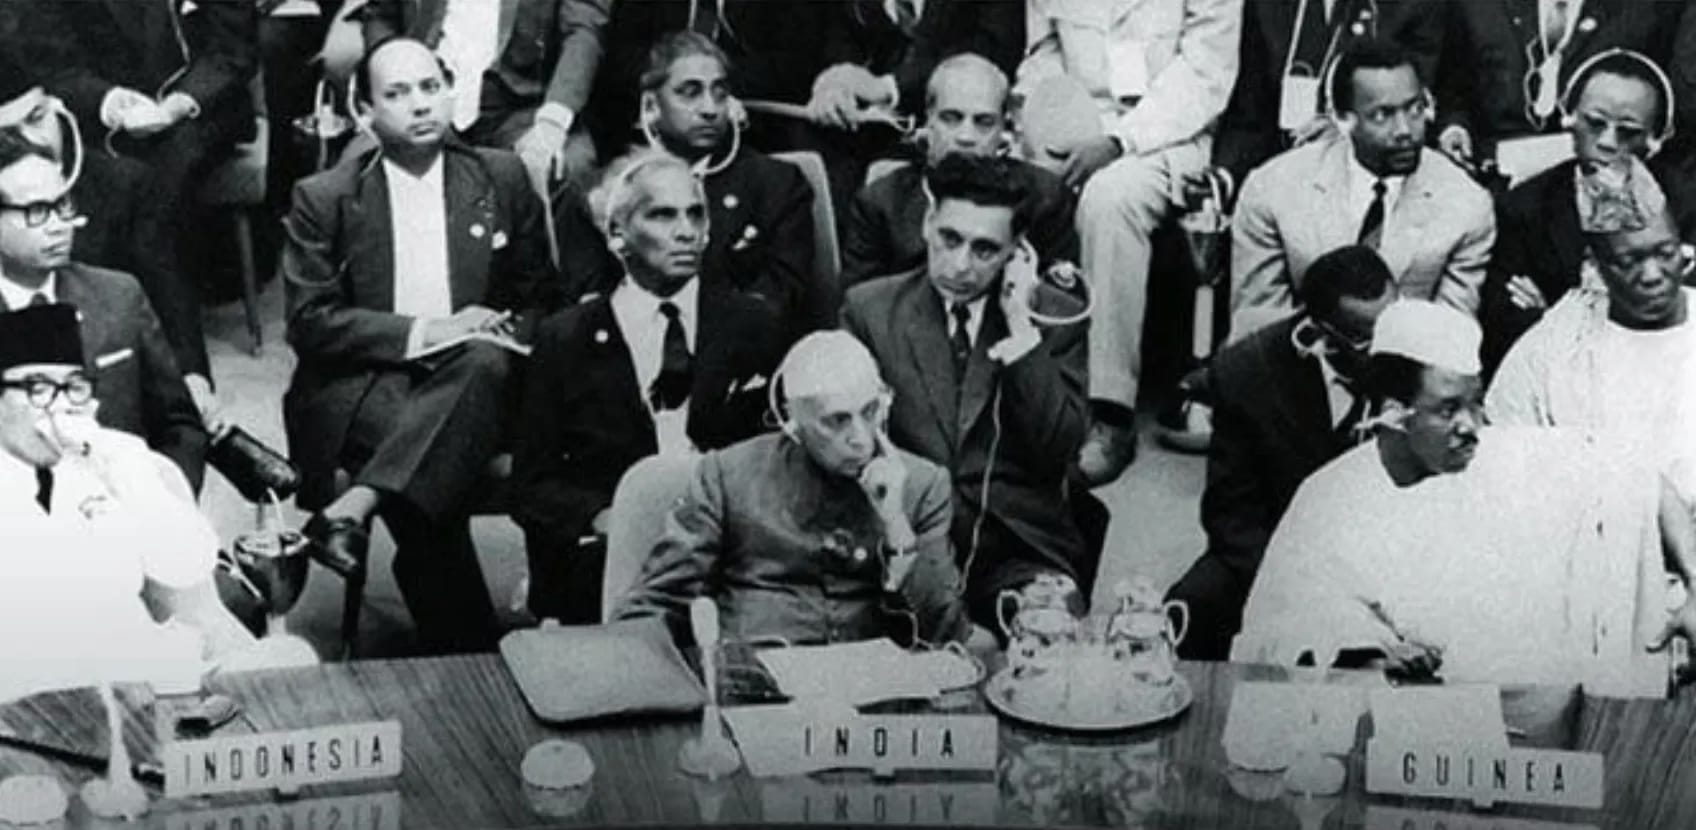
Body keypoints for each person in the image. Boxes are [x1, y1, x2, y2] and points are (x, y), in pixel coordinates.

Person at [1233, 299, 1696, 690]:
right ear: (1395, 413)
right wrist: (1374, 654)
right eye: (1449, 410)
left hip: (1542, 700)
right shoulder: (1331, 501)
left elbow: (1634, 474)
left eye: (1475, 403)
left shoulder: (1507, 453)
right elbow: (1289, 622)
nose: (1472, 427)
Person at [281, 37, 557, 654]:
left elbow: (542, 296)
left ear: (451, 92)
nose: (420, 105)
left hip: (482, 373)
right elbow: (311, 322)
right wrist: (427, 331)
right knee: (433, 464)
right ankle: (474, 653)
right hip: (366, 382)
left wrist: (495, 331)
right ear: (365, 111)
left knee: (480, 364)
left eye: (430, 87)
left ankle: (358, 504)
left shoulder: (501, 176)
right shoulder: (325, 196)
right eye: (397, 94)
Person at [512, 151, 784, 624]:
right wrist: (607, 517)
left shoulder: (753, 324)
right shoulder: (566, 338)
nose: (686, 231)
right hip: (607, 553)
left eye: (695, 214)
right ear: (617, 235)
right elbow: (530, 485)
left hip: (730, 552)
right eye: (662, 214)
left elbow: (775, 459)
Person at [0, 304, 312, 702]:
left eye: (75, 386)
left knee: (291, 658)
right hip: (35, 697)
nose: (60, 406)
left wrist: (113, 456)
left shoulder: (113, 461)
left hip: (149, 679)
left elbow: (186, 567)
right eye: (37, 389)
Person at [842, 153, 1093, 635]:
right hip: (900, 540)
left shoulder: (1053, 316)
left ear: (1017, 251)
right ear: (927, 222)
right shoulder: (870, 310)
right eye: (949, 239)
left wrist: (1022, 332)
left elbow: (1058, 450)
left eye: (984, 250)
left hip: (1017, 550)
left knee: (1048, 651)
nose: (960, 265)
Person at [612, 330, 971, 648]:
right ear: (792, 421)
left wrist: (896, 523)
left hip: (877, 698)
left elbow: (945, 633)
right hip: (756, 688)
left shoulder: (923, 485)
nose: (861, 438)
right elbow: (656, 603)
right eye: (836, 421)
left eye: (870, 411)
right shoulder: (729, 476)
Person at [1015, 0, 1242, 487]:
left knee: (1109, 200)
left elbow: (1205, 73)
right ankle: (1018, 397)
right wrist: (1047, 127)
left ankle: (1108, 414)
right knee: (1007, 181)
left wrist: (1119, 141)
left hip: (1168, 138)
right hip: (1076, 127)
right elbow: (1044, 51)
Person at [6, 0, 261, 390]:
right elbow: (49, 61)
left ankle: (167, 358)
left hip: (204, 105)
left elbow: (234, 51)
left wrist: (178, 105)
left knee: (154, 185)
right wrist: (109, 101)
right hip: (96, 112)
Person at [1166, 245, 1396, 660]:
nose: (1387, 348)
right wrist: (1303, 590)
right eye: (1365, 337)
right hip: (1279, 558)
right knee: (1190, 607)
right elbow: (1231, 517)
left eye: (1392, 324)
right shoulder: (1245, 373)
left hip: (1387, 558)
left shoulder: (1419, 359)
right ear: (1322, 329)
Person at [557, 31, 820, 334]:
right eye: (690, 92)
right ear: (652, 106)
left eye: (720, 93)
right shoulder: (604, 190)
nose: (710, 108)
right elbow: (586, 305)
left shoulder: (777, 185)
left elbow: (779, 298)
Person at [1231, 40, 1494, 340]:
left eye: (1415, 108)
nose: (1405, 130)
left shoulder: (1466, 204)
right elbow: (1256, 334)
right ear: (1342, 119)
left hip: (1406, 377)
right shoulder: (1273, 189)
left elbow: (1449, 345)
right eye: (1383, 115)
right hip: (1297, 371)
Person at [0, 135, 208, 492]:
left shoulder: (118, 296)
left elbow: (179, 426)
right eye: (36, 211)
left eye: (63, 204)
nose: (58, 224)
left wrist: (166, 505)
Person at [1487, 155, 1696, 503]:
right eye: (1630, 262)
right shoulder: (1555, 347)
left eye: (1666, 253)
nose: (1652, 275)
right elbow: (1509, 460)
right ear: (1596, 266)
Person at [1482, 49, 1679, 373]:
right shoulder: (1524, 209)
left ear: (1656, 138)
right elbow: (1505, 326)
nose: (1606, 142)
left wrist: (1552, 318)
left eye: (1627, 131)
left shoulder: (1687, 210)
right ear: (1570, 118)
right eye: (1595, 123)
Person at [840, 53, 1077, 288]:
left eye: (983, 122)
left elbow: (1063, 312)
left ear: (1003, 129)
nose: (966, 137)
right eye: (951, 118)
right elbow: (859, 308)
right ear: (929, 120)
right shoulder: (881, 203)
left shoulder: (1045, 200)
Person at [793, 0, 1026, 220]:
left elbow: (992, 50)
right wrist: (837, 85)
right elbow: (842, 37)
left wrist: (888, 87)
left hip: (948, 124)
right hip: (864, 126)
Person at [360, 0, 609, 191]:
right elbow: (381, 14)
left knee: (566, 168)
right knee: (362, 171)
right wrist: (391, 79)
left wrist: (553, 121)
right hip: (425, 97)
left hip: (521, 107)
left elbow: (583, 31)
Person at [1434, 0, 1682, 173]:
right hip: (1490, 172)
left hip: (1599, 178)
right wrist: (1454, 127)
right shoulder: (1476, 5)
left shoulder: (1650, 9)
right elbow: (1453, 84)